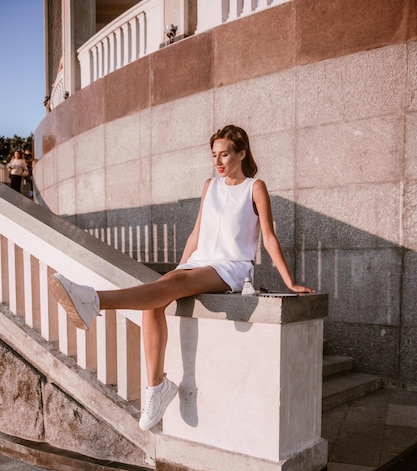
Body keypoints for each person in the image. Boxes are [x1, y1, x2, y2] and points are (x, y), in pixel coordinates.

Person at [49, 125, 313, 431]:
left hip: (232, 268)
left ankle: (93, 299)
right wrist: (177, 271)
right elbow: (196, 233)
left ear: (241, 153)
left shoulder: (254, 188)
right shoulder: (209, 186)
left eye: (224, 153)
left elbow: (269, 238)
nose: (218, 160)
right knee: (157, 297)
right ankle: (156, 387)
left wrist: (290, 281)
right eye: (214, 154)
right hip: (199, 263)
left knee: (168, 288)